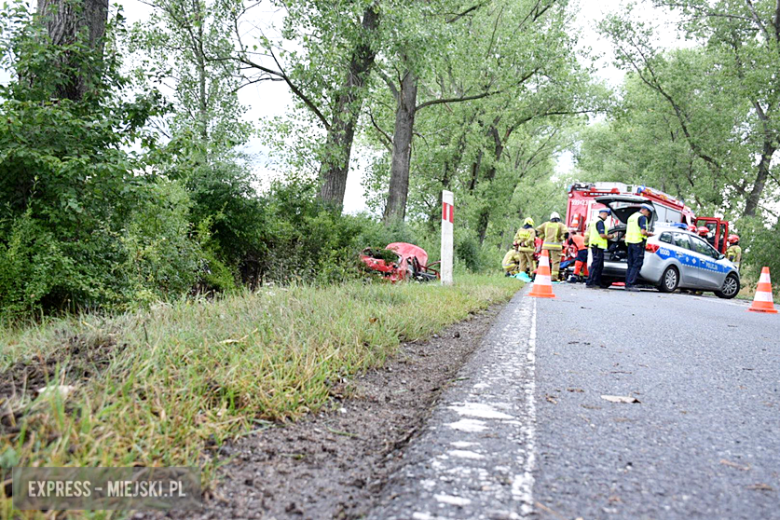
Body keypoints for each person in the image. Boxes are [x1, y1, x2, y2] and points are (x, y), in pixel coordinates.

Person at [625, 204, 654, 292]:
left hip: (629, 242)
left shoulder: (631, 217)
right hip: (638, 243)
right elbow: (643, 232)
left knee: (630, 264)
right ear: (645, 210)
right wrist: (650, 234)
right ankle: (631, 284)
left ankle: (627, 283)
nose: (648, 215)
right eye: (648, 213)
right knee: (637, 264)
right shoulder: (642, 218)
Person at [585, 208, 614, 288]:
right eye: (607, 216)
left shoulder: (593, 221)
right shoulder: (600, 222)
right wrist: (611, 236)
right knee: (596, 265)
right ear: (604, 213)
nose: (607, 217)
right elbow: (602, 235)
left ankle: (597, 282)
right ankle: (591, 282)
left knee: (599, 265)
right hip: (598, 246)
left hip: (595, 245)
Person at [536, 212, 567, 281]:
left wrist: (543, 237)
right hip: (556, 247)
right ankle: (554, 278)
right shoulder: (561, 225)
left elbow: (537, 231)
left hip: (545, 247)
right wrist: (561, 239)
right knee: (555, 262)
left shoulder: (545, 224)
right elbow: (566, 233)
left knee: (544, 261)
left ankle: (542, 276)